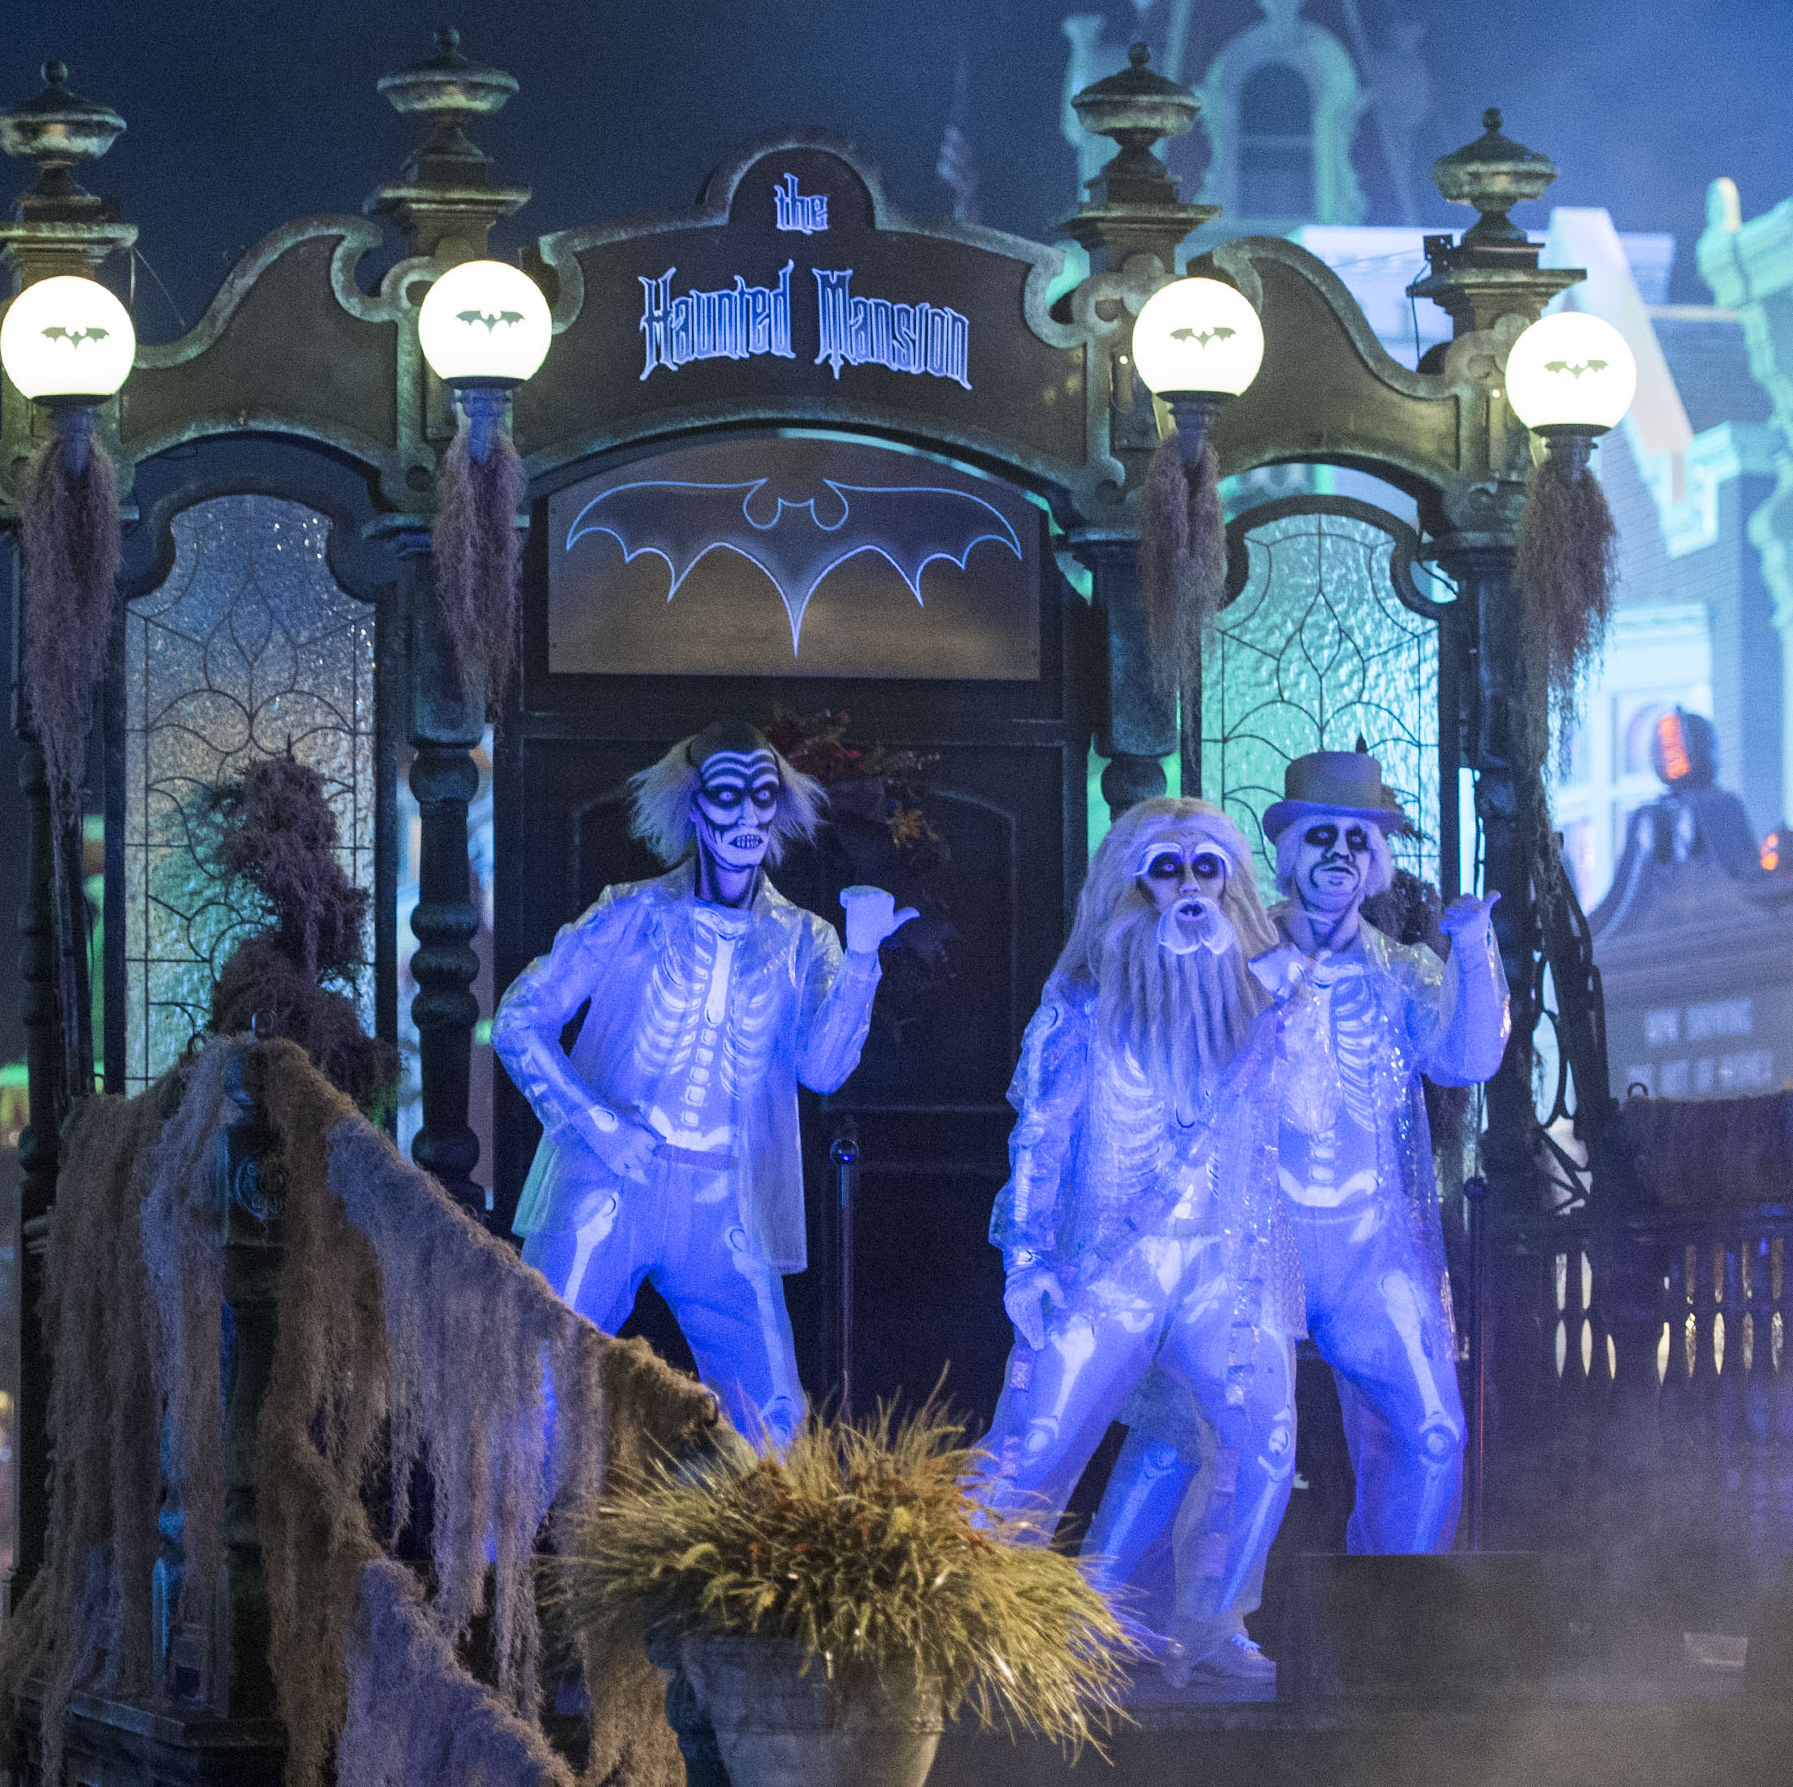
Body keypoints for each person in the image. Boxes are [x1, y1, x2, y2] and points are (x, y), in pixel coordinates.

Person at [1087, 754, 1507, 1631]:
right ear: (1284, 851)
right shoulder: (1230, 954)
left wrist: (1473, 948)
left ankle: (1392, 1631)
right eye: (1322, 836)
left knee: (1433, 1433)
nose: (1340, 855)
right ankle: (1122, 1627)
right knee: (1192, 1434)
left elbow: (1466, 1058)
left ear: (1376, 860)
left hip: (1370, 1251)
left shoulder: (1401, 971)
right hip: (1249, 1244)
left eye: (1357, 839)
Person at [493, 719, 913, 1443]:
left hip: (725, 1198)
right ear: (693, 805)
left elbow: (822, 1068)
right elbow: (518, 1019)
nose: (747, 813)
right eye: (726, 794)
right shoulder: (630, 911)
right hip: (606, 1181)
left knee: (775, 1417)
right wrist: (595, 1124)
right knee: (538, 1386)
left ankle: (758, 1524)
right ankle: (500, 1521)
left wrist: (863, 959)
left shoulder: (805, 938)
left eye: (762, 795)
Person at [973, 796, 1309, 1685]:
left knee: (1266, 1439)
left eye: (1208, 869)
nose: (1190, 888)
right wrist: (1027, 1260)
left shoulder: (1263, 1004)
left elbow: (1309, 1121)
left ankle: (1211, 1623)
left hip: (1225, 1266)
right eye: (1168, 869)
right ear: (1133, 884)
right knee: (1034, 1443)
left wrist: (1296, 1021)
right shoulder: (1081, 1007)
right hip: (1105, 1264)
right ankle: (963, 1625)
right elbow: (1040, 1139)